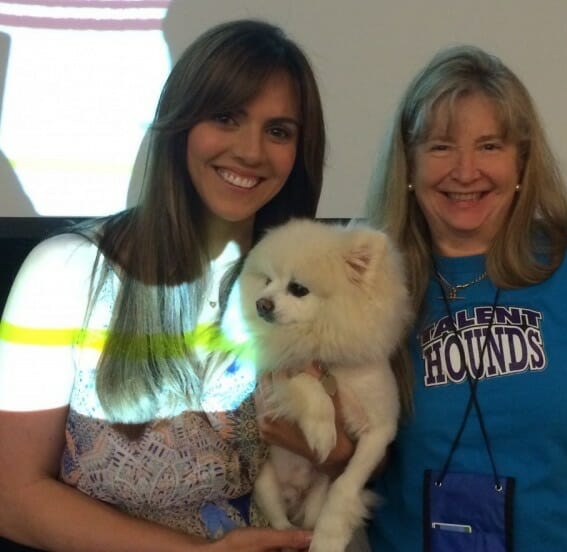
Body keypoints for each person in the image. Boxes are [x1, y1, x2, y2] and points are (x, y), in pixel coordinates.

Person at [0, 19, 341, 551]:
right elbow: (13, 498)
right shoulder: (62, 274)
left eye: (278, 131)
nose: (251, 151)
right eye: (226, 117)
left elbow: (350, 456)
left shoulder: (311, 290)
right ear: (179, 123)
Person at [364, 45, 567, 551]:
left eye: (490, 146)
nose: (466, 171)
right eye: (442, 146)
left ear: (521, 163)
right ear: (410, 162)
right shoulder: (369, 289)